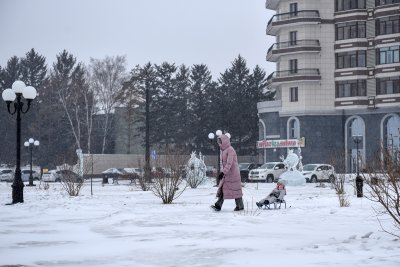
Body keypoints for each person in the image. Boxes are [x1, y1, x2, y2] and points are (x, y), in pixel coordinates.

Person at [211, 134, 244, 212]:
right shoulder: (223, 150)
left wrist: (223, 172)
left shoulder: (230, 150)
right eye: (218, 142)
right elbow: (223, 163)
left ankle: (240, 206)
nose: (219, 143)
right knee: (224, 188)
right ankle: (218, 205)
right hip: (227, 173)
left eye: (220, 142)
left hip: (233, 174)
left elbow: (229, 163)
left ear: (224, 141)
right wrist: (222, 172)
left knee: (236, 190)